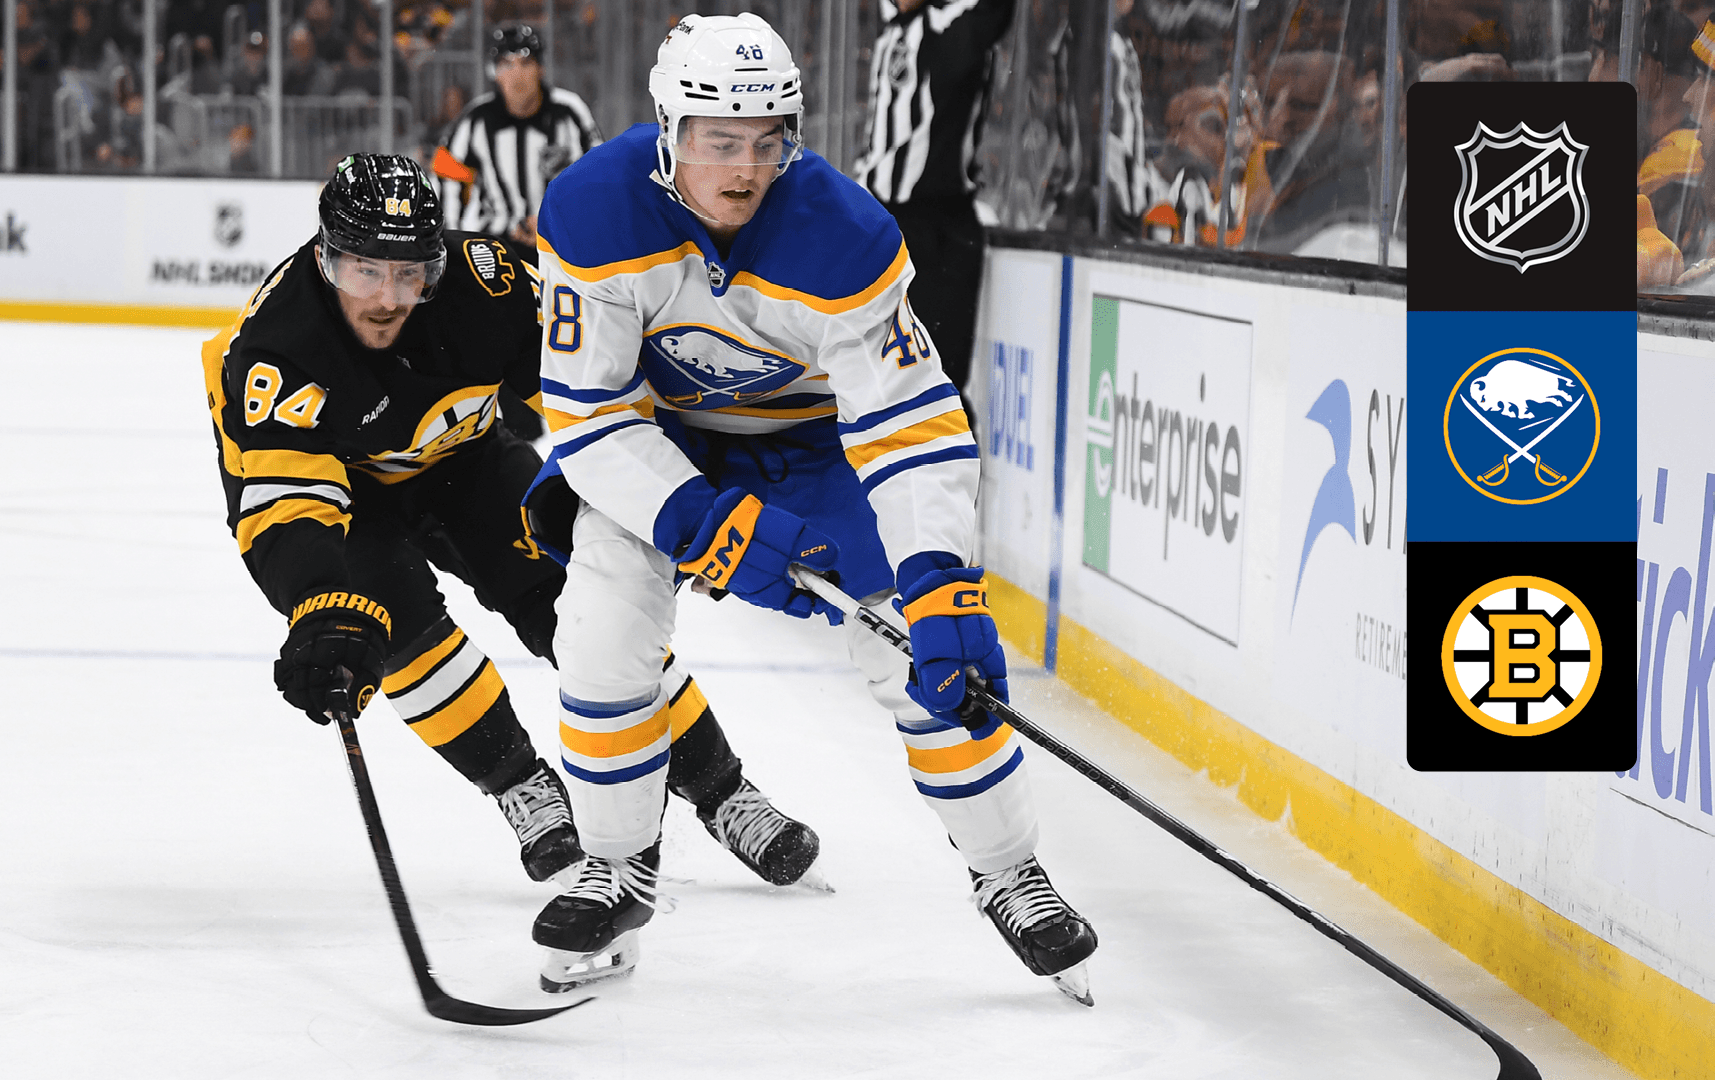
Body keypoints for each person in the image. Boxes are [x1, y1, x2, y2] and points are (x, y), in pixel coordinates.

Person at [523, 13, 1097, 1000]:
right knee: (600, 627)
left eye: (767, 141)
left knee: (921, 653)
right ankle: (617, 866)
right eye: (719, 141)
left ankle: (1010, 871)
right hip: (659, 445)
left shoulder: (848, 234)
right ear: (668, 129)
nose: (745, 169)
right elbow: (589, 413)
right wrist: (701, 520)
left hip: (815, 449)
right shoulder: (590, 211)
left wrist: (939, 575)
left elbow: (910, 424)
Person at [200, 153, 820, 893]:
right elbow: (284, 507)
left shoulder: (488, 284)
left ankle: (722, 790)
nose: (388, 299)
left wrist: (688, 498)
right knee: (394, 626)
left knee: (593, 608)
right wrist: (317, 604)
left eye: (409, 274)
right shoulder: (277, 348)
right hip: (346, 498)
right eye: (365, 271)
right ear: (326, 258)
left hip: (467, 460)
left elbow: (605, 388)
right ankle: (521, 784)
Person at [854, 0, 1015, 431]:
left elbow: (992, 17)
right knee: (878, 375)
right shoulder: (897, 29)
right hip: (886, 223)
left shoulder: (947, 24)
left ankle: (948, 470)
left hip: (937, 228)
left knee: (937, 381)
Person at [438, 23, 600, 247]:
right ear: (494, 72)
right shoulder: (476, 119)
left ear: (541, 68)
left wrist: (560, 223)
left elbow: (598, 176)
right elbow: (446, 177)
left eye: (526, 63)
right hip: (494, 244)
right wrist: (452, 245)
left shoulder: (569, 112)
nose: (517, 75)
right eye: (506, 64)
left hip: (561, 239)